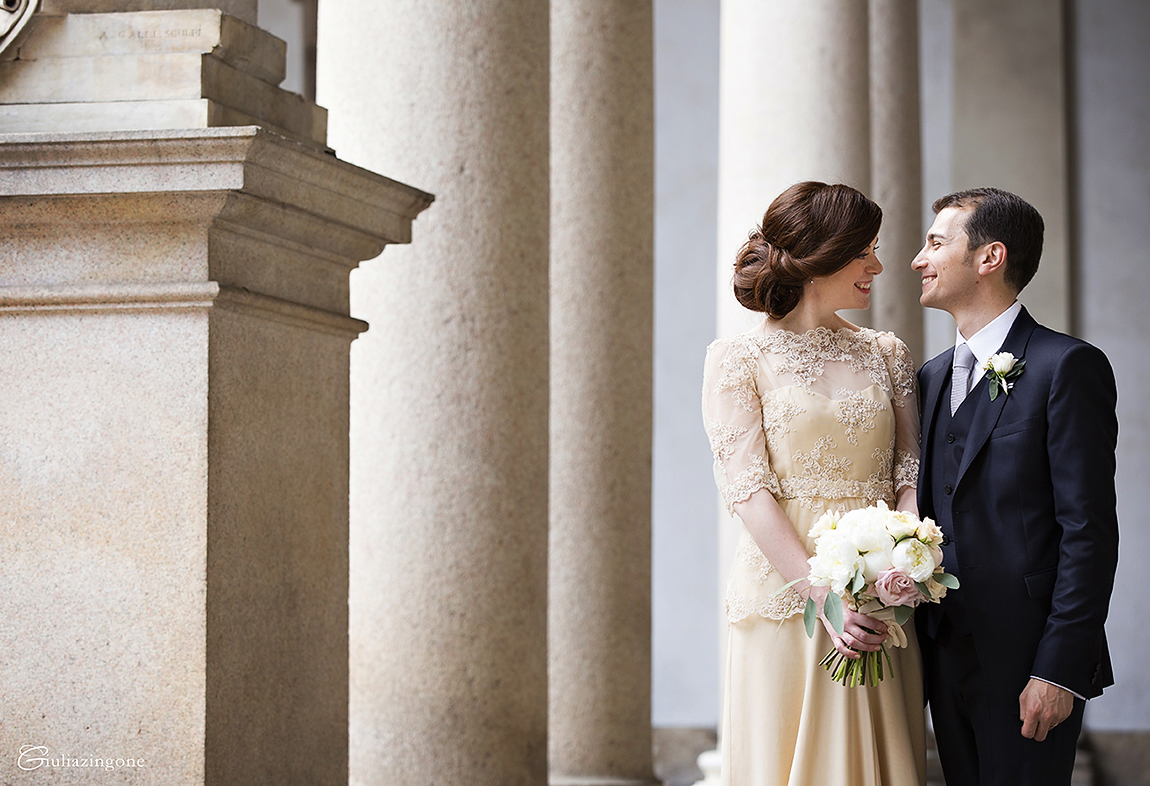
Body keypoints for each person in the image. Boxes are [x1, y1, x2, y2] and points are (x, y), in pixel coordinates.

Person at [702, 181, 926, 785]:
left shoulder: (887, 354)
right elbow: (747, 489)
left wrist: (901, 562)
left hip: (878, 599)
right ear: (823, 254)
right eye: (866, 252)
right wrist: (822, 596)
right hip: (783, 594)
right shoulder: (737, 359)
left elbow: (910, 470)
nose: (878, 266)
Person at [912, 187, 1119, 786]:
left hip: (1029, 660)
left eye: (935, 243)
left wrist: (1059, 670)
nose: (918, 261)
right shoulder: (928, 379)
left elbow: (1089, 531)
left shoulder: (1067, 365)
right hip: (944, 656)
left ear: (989, 257)